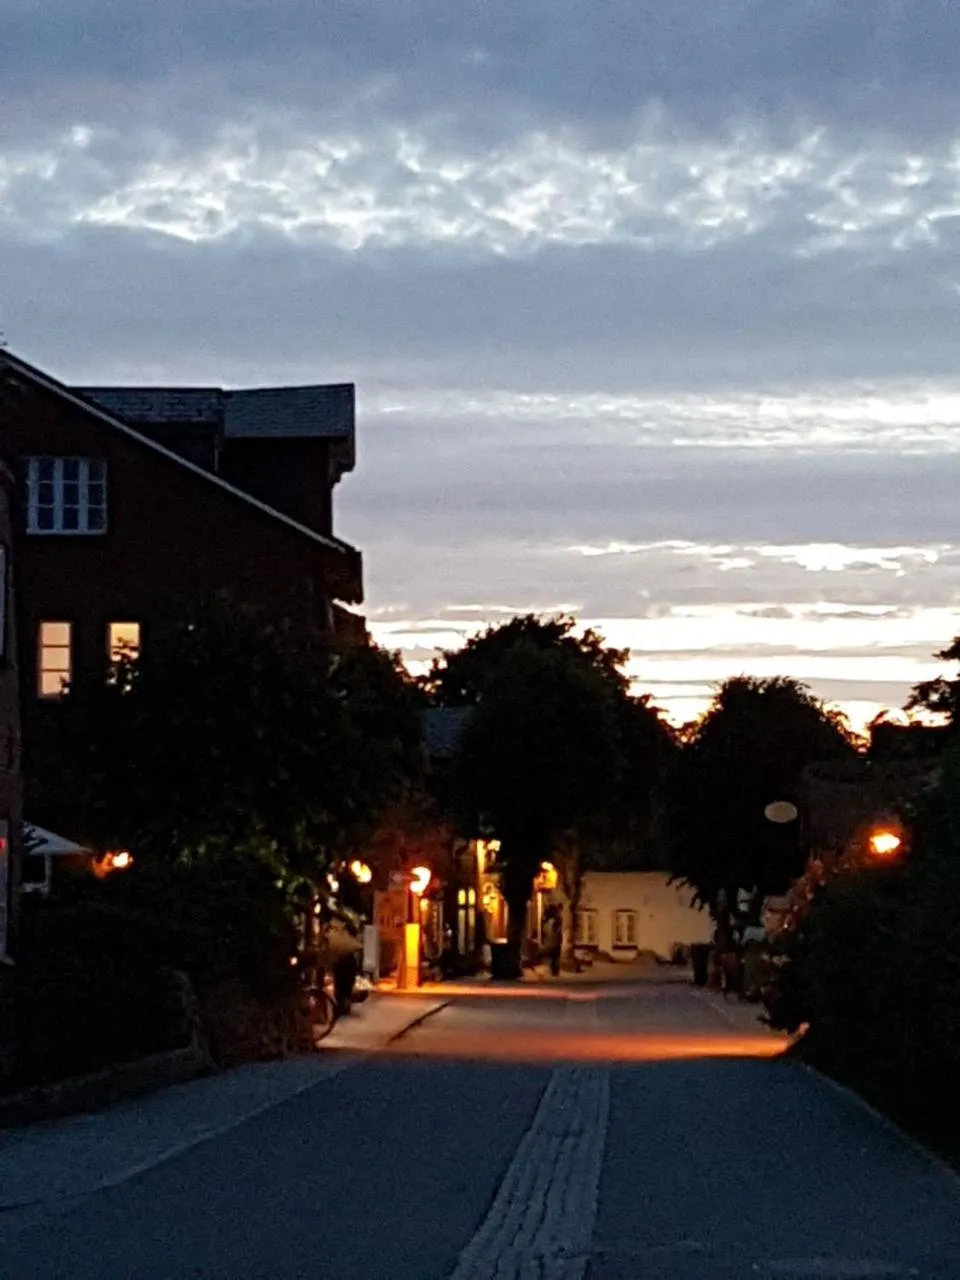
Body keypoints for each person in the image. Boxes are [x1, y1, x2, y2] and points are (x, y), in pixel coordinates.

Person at [543, 905, 563, 977]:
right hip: (555, 943)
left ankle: (553, 971)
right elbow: (557, 932)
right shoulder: (556, 921)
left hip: (550, 943)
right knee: (555, 957)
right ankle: (555, 972)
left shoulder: (547, 922)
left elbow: (545, 932)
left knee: (554, 958)